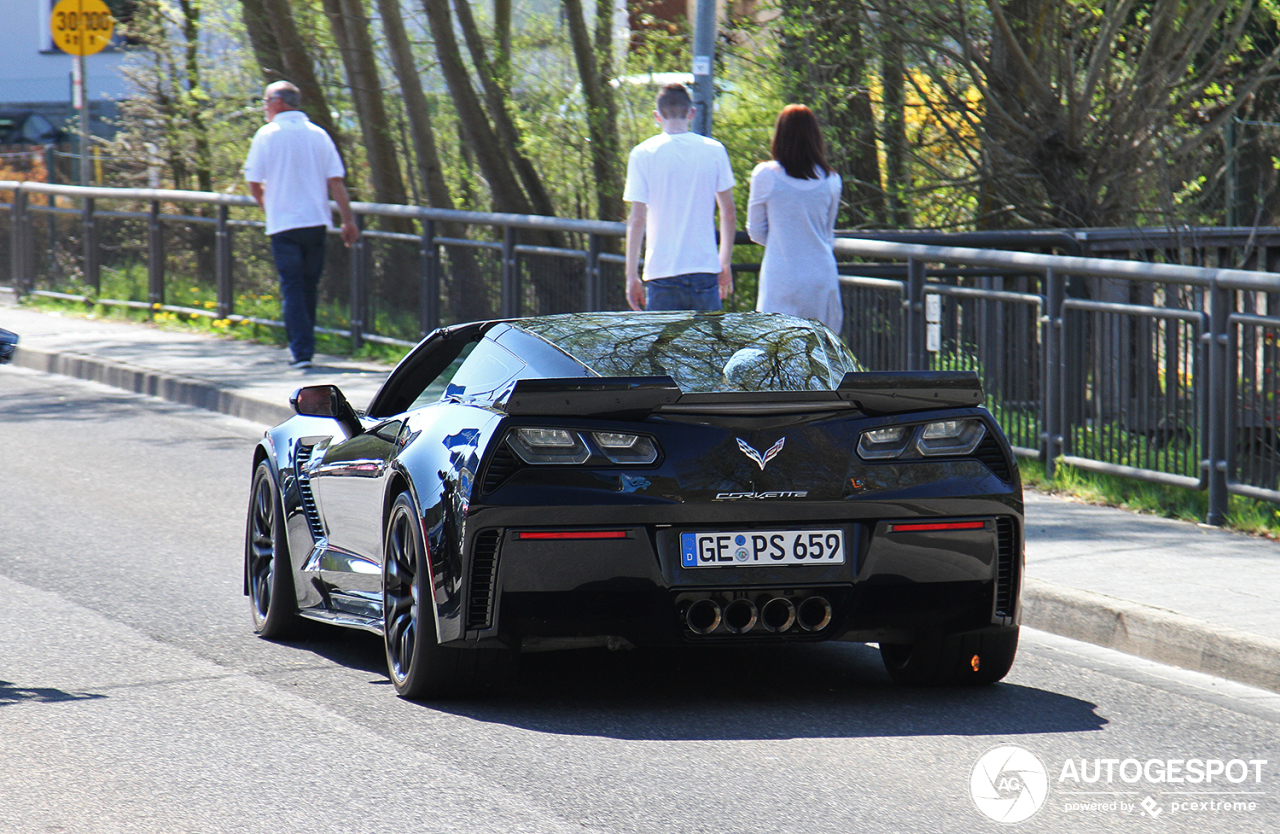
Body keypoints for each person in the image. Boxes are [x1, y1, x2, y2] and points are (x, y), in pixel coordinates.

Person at [244, 80, 359, 369]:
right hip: (316, 222)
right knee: (309, 286)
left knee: (292, 286)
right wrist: (347, 221)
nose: (264, 107)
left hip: (284, 225)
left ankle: (301, 351)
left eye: (265, 101)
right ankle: (305, 346)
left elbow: (253, 182)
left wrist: (267, 206)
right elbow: (336, 182)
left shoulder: (266, 135)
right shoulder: (318, 134)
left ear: (279, 102)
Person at [624, 83, 737, 312]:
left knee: (662, 348)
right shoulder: (714, 150)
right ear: (691, 113)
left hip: (660, 271)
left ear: (657, 116)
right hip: (704, 269)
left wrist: (631, 275)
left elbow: (637, 220)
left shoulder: (642, 153)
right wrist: (723, 262)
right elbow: (728, 213)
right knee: (709, 347)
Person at [746, 104, 843, 333]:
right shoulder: (831, 179)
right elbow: (826, 232)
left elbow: (756, 231)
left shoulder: (766, 175)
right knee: (820, 350)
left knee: (777, 350)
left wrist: (783, 240)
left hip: (782, 276)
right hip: (821, 275)